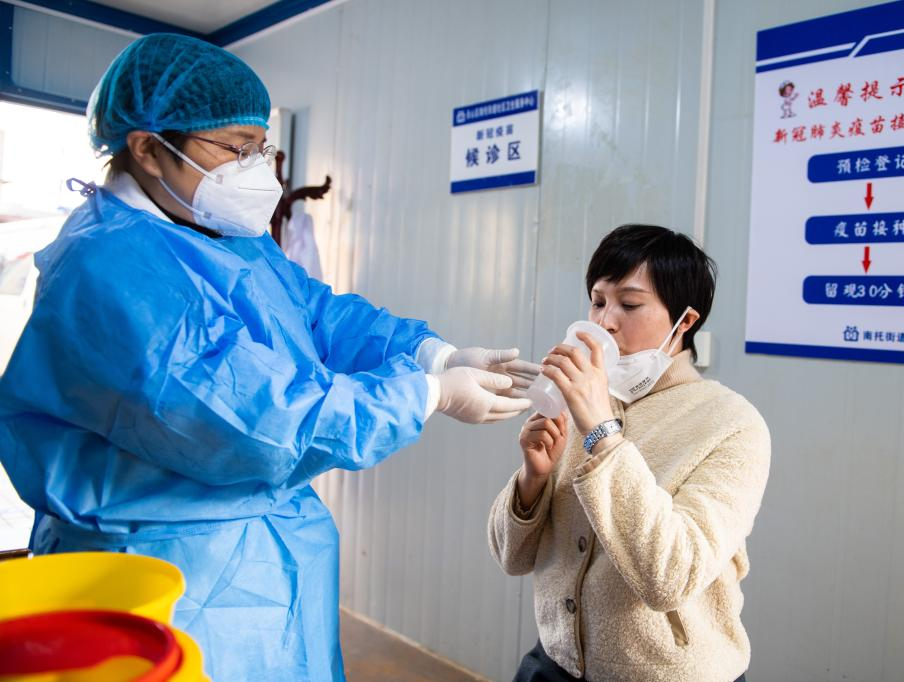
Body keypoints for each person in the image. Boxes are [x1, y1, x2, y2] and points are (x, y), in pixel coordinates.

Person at [0, 33, 536, 681]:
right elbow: (255, 419)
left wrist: (431, 351)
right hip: (168, 571)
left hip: (261, 555)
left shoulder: (211, 230)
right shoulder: (110, 268)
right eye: (234, 149)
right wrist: (427, 393)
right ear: (146, 146)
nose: (257, 170)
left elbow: (314, 313)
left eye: (261, 149)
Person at [488, 224, 770, 682]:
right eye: (598, 301)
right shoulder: (585, 402)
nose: (604, 322)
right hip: (553, 664)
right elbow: (510, 558)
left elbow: (670, 578)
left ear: (686, 321)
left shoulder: (733, 424)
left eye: (630, 304)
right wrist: (532, 480)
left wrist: (601, 431)